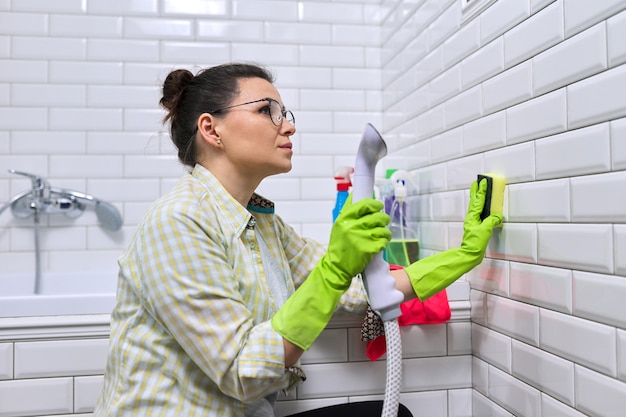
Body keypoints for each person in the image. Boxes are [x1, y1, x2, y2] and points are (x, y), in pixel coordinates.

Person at [94, 62, 502, 417]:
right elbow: (243, 372)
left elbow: (361, 291)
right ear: (210, 128)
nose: (288, 125)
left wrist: (465, 255)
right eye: (266, 111)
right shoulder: (178, 222)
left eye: (284, 112)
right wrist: (335, 266)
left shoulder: (262, 222)